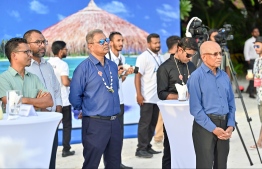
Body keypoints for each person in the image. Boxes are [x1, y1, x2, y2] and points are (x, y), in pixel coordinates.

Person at [69, 29, 122, 168]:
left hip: (115, 121)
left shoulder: (112, 66)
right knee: (91, 164)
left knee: (114, 163)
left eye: (106, 40)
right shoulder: (83, 68)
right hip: (95, 123)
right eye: (101, 41)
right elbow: (74, 97)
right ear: (90, 46)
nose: (106, 43)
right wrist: (86, 109)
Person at [187, 41, 236, 168]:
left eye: (220, 53)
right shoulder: (195, 77)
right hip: (205, 126)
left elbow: (231, 103)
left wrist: (230, 125)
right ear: (204, 57)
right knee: (205, 165)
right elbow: (196, 109)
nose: (219, 57)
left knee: (221, 165)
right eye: (215, 54)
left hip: (224, 126)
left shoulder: (224, 76)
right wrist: (214, 129)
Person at [23, 29, 62, 169]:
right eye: (37, 42)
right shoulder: (24, 69)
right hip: (35, 122)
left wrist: (58, 111)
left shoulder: (48, 66)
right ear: (26, 45)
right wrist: (41, 107)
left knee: (51, 160)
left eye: (44, 42)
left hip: (52, 121)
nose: (42, 45)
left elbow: (57, 90)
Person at [157, 37, 197, 168]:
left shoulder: (191, 65)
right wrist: (180, 96)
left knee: (191, 146)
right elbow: (161, 93)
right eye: (188, 54)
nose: (190, 58)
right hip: (172, 116)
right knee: (170, 148)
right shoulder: (165, 67)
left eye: (193, 55)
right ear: (180, 49)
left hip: (190, 114)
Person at [0, 38, 53, 113]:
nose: (31, 55)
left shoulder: (34, 77)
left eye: (30, 51)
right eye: (26, 52)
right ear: (14, 55)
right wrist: (37, 103)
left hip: (34, 123)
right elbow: (11, 103)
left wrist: (24, 100)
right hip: (14, 124)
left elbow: (49, 101)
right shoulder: (3, 79)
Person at [106, 31, 133, 169]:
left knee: (118, 135)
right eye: (118, 40)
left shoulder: (121, 57)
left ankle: (117, 163)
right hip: (110, 103)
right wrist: (116, 73)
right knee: (109, 136)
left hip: (120, 101)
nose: (121, 43)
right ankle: (110, 165)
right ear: (110, 43)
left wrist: (125, 74)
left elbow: (119, 80)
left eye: (122, 40)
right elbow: (103, 81)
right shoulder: (106, 58)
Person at [135, 33, 162, 158]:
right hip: (146, 97)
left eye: (158, 42)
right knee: (144, 124)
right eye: (155, 43)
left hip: (157, 98)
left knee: (152, 123)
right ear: (149, 44)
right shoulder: (143, 57)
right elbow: (137, 76)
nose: (157, 45)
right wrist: (139, 94)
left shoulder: (159, 57)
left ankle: (147, 146)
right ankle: (140, 149)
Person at [48, 41, 75, 157]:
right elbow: (65, 82)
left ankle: (50, 149)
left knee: (52, 127)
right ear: (60, 51)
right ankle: (66, 149)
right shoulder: (63, 64)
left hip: (50, 101)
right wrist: (73, 81)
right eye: (65, 49)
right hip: (63, 100)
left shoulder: (47, 63)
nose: (66, 51)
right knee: (67, 126)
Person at [154, 36, 182, 147]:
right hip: (167, 94)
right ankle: (158, 138)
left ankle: (159, 137)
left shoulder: (162, 57)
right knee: (163, 117)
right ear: (176, 46)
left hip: (168, 93)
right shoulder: (167, 60)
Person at [251, 36, 262, 149]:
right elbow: (256, 76)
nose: (256, 48)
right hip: (259, 94)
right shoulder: (257, 60)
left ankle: (259, 142)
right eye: (254, 46)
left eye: (258, 45)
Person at [244, 27, 260, 98]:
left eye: (257, 32)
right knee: (251, 76)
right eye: (255, 32)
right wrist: (248, 60)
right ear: (252, 33)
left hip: (259, 59)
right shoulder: (248, 41)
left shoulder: (260, 41)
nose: (256, 33)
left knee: (258, 76)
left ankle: (256, 90)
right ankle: (251, 92)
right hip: (251, 60)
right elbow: (246, 51)